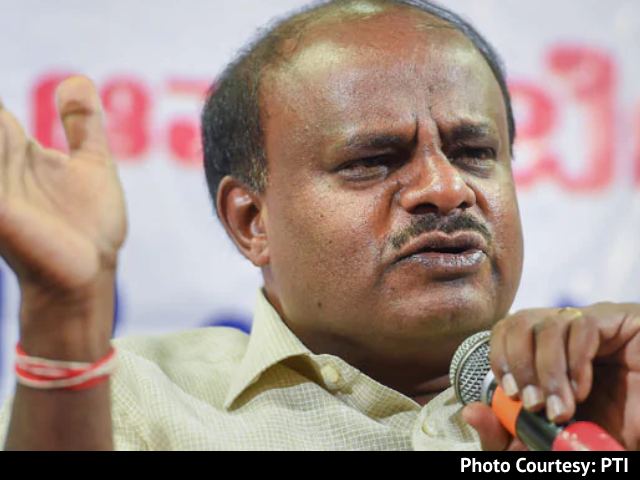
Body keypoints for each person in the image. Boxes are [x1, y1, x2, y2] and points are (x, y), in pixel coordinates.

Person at [0, 0, 638, 450]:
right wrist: (62, 319)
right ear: (252, 221)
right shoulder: (129, 400)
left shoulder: (597, 397)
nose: (447, 189)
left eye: (474, 153)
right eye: (372, 161)